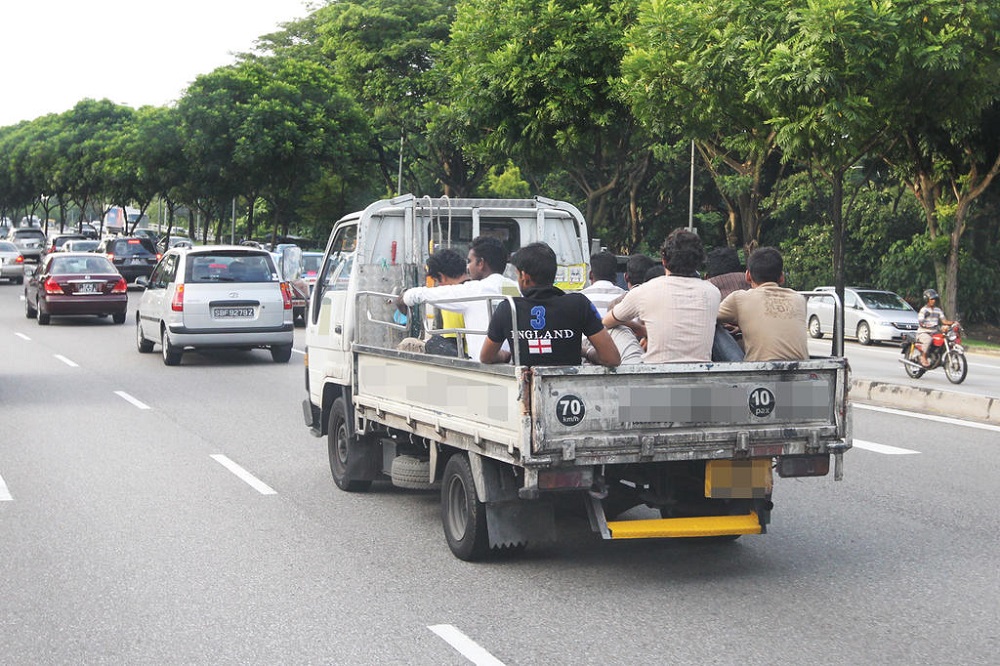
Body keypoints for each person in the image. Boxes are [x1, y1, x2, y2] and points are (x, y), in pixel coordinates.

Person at [481, 242, 620, 367]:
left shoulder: (508, 308)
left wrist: (506, 355)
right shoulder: (579, 304)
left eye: (517, 275)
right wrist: (586, 353)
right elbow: (611, 358)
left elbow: (486, 357)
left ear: (524, 276)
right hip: (571, 393)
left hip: (524, 389)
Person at [603, 228, 720, 363]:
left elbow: (607, 322)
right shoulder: (713, 292)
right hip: (701, 371)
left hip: (653, 371)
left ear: (663, 260)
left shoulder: (645, 290)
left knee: (615, 328)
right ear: (699, 262)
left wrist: (641, 330)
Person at [399, 236, 518, 360]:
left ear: (481, 263)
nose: (468, 267)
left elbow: (427, 294)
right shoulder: (514, 288)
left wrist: (405, 297)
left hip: (482, 364)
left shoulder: (473, 291)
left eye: (470, 261)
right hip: (513, 361)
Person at [716, 247, 808, 361]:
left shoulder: (739, 298)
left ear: (748, 276)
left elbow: (708, 317)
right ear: (782, 278)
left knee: (714, 327)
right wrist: (742, 326)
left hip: (757, 371)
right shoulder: (799, 299)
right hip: (801, 370)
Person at [580, 251, 643, 364]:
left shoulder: (579, 298)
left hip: (587, 358)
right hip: (625, 357)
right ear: (615, 276)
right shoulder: (627, 297)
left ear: (590, 275)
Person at [422, 249, 468, 357]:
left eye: (437, 281)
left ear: (441, 277)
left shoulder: (451, 300)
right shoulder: (481, 287)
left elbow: (453, 344)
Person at [916, 288, 953, 367]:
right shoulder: (924, 310)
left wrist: (953, 322)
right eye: (931, 299)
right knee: (928, 340)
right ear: (927, 299)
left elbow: (944, 321)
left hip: (935, 332)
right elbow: (921, 322)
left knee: (944, 339)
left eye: (934, 299)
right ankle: (923, 356)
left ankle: (937, 356)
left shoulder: (938, 310)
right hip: (924, 332)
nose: (933, 301)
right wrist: (926, 325)